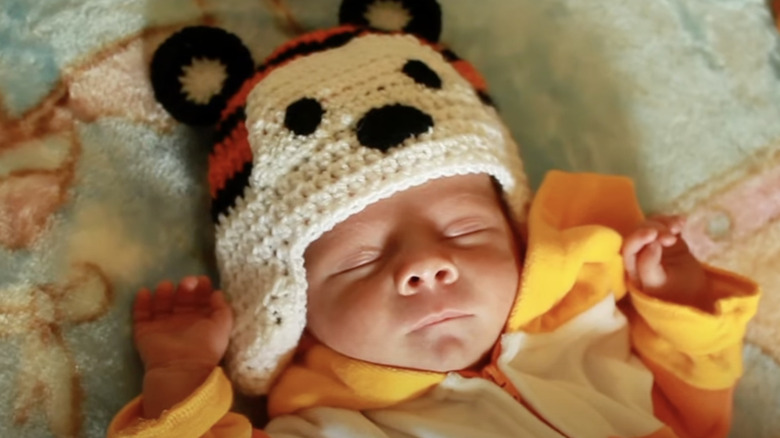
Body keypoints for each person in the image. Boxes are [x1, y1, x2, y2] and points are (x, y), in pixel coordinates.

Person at [108, 1, 760, 436]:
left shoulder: (589, 316)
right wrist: (181, 379)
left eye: (465, 230)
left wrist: (681, 300)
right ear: (291, 306)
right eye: (359, 259)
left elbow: (696, 413)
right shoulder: (331, 422)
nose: (425, 265)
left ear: (515, 228)